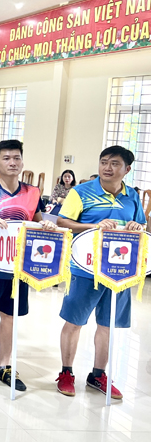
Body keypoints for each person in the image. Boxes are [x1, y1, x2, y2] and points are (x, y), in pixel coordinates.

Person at [55, 146, 146, 400]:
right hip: (85, 268)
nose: (107, 167)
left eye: (114, 163)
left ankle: (98, 375)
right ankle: (66, 373)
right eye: (104, 162)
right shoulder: (80, 192)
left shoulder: (132, 197)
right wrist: (93, 225)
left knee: (108, 325)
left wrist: (137, 225)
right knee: (74, 322)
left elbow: (142, 224)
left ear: (126, 170)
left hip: (120, 271)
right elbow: (63, 222)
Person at [0, 140, 51, 392]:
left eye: (16, 157)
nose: (12, 162)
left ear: (22, 161)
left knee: (9, 316)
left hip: (17, 267)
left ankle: (4, 366)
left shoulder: (33, 192)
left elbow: (37, 217)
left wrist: (45, 223)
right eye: (6, 158)